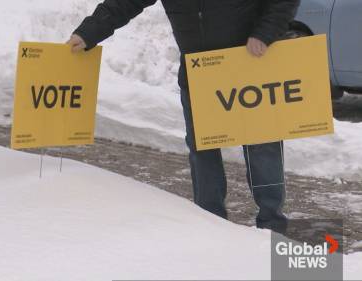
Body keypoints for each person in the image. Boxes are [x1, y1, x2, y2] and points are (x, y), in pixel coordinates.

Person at [67, 0, 299, 232]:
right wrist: (88, 33)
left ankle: (272, 225)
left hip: (250, 64)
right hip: (200, 73)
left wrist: (265, 32)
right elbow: (125, 3)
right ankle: (211, 222)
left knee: (262, 145)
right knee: (203, 149)